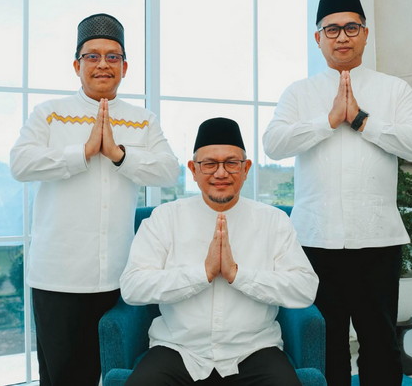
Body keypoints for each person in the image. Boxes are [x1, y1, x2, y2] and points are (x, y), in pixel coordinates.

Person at [263, 0, 412, 386]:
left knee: (380, 341)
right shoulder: (299, 92)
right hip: (315, 238)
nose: (342, 37)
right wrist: (328, 120)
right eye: (332, 29)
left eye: (351, 27)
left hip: (378, 238)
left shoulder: (395, 90)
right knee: (326, 342)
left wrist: (360, 120)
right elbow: (274, 144)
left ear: (365, 34)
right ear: (318, 37)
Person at [10, 13, 179, 386]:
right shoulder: (49, 114)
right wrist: (82, 152)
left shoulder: (142, 120)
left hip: (119, 276)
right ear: (77, 65)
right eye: (92, 56)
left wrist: (119, 155)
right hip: (58, 276)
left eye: (112, 56)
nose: (103, 64)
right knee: (64, 377)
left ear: (124, 67)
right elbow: (20, 164)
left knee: (119, 373)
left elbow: (169, 170)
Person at [120, 117, 319, 385]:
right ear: (193, 169)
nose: (221, 173)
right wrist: (202, 274)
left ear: (246, 168)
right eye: (210, 164)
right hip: (178, 349)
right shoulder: (164, 219)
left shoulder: (274, 221)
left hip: (255, 349)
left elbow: (305, 288)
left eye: (231, 163)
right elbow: (132, 287)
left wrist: (238, 275)